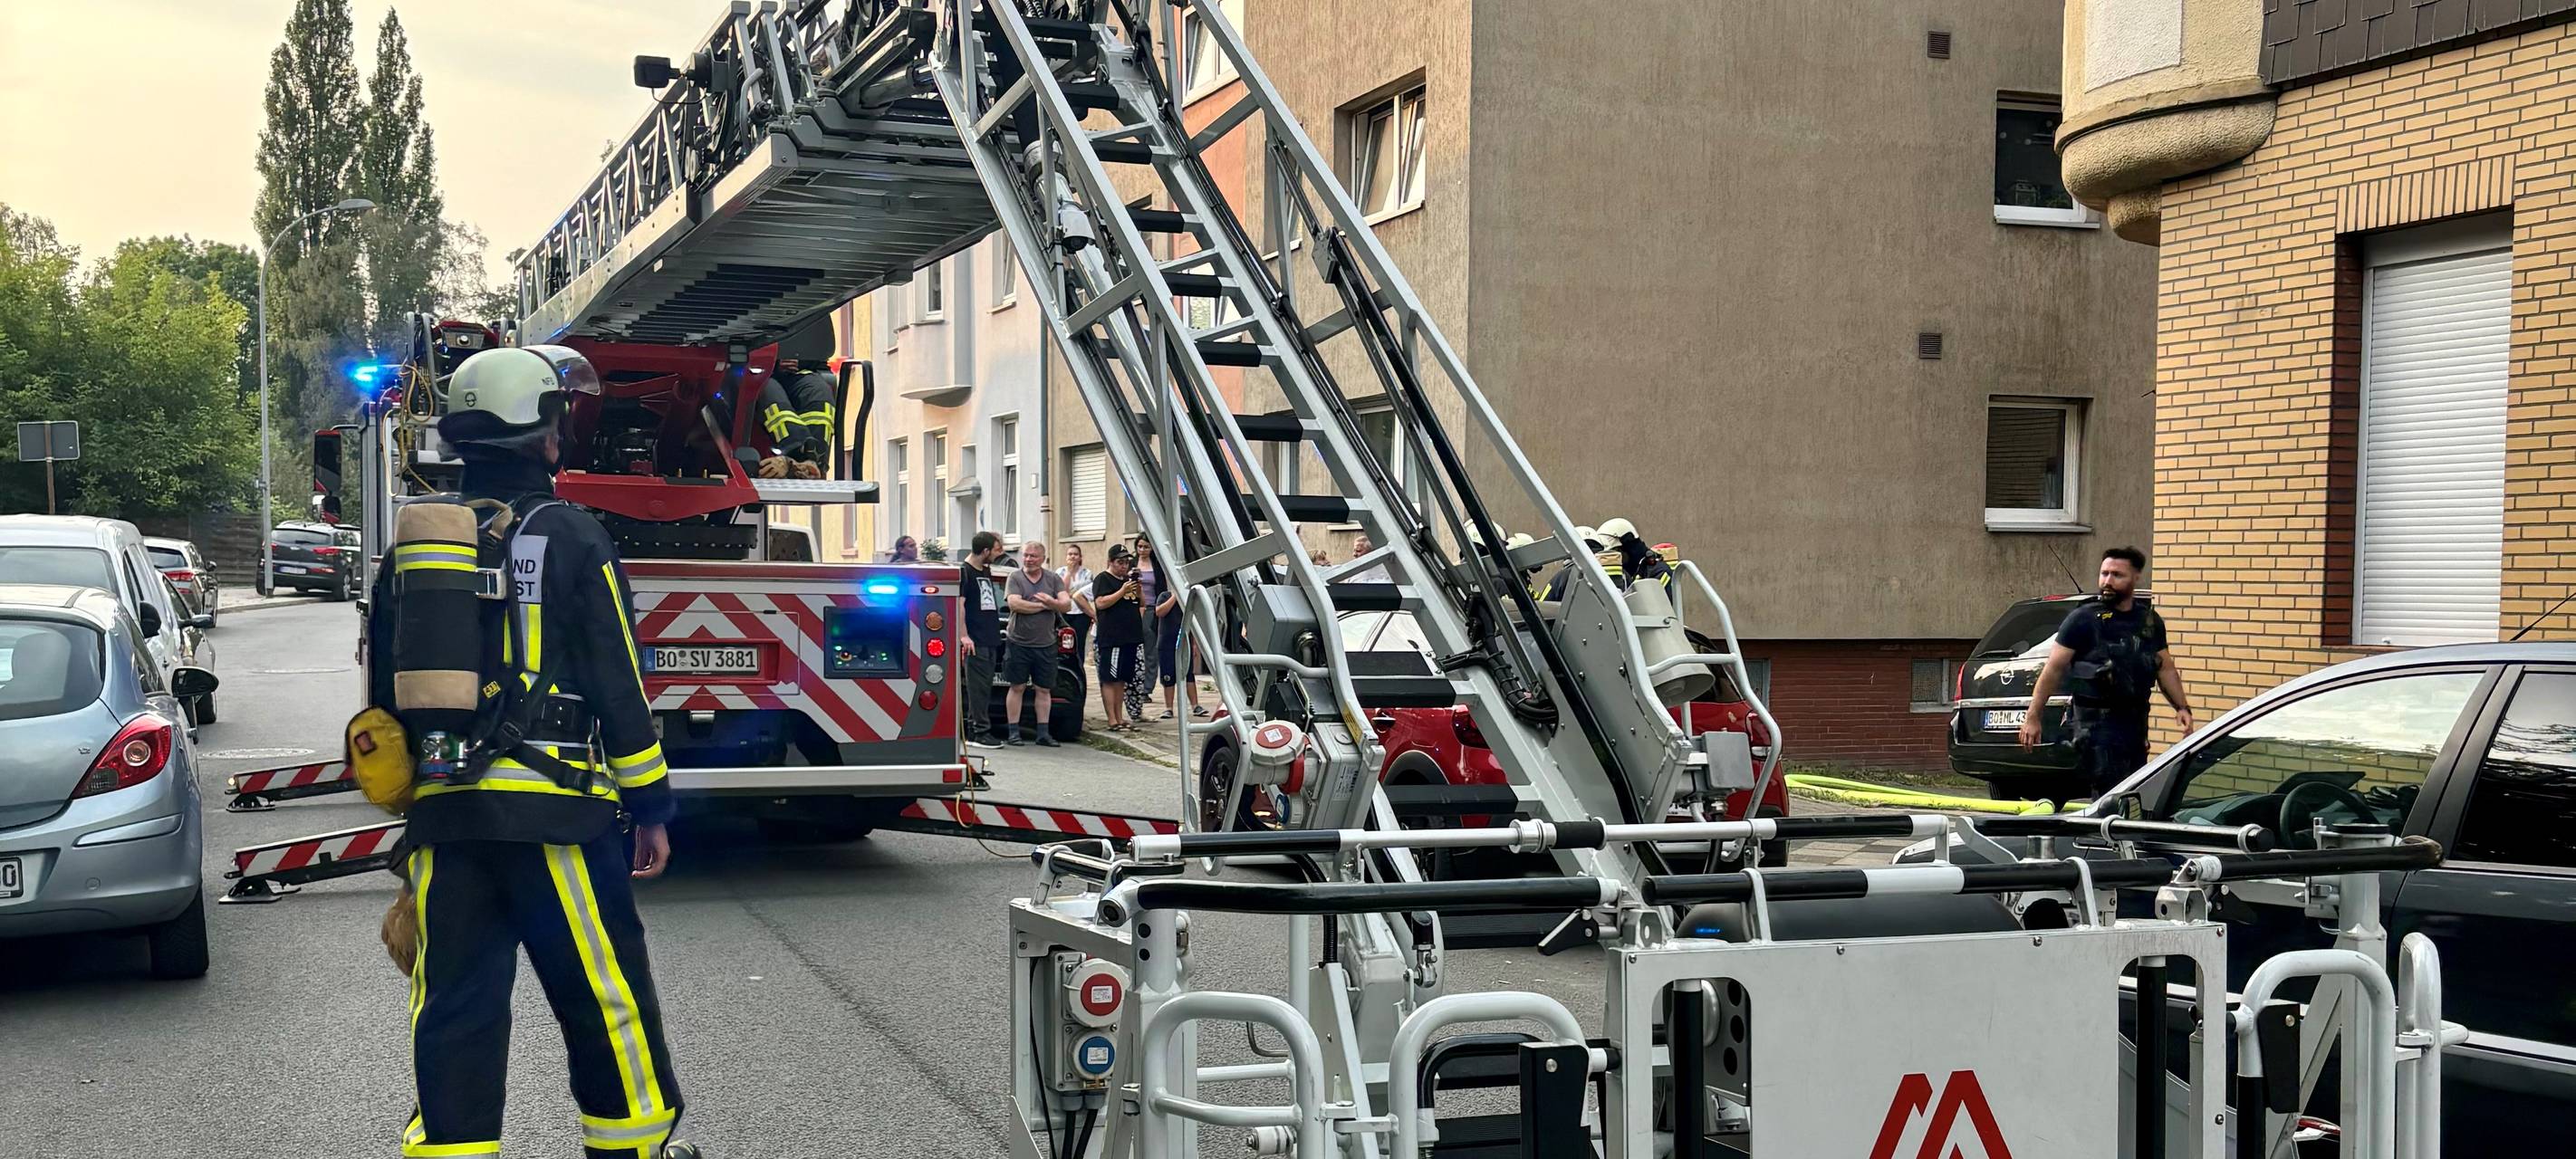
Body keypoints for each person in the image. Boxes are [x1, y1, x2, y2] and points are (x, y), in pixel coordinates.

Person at [369, 344, 692, 1159]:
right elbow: (619, 681)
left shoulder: (416, 543)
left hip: (445, 815)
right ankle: (631, 1149)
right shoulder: (572, 535)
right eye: (558, 419)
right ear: (544, 435)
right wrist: (650, 805)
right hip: (557, 823)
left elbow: (381, 692)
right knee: (605, 1001)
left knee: (454, 1005)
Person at [2018, 546, 2196, 797]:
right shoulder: (2083, 620)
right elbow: (2053, 670)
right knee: (2106, 790)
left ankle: (2115, 832)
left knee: (2131, 788)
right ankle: (2098, 834)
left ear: (2135, 578)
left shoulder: (2149, 622)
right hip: (2094, 725)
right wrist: (2033, 717)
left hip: (2133, 724)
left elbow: (2164, 667)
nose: (2107, 581)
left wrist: (2181, 707)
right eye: (2104, 574)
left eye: (2117, 575)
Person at [1002, 541, 1072, 746]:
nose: (1028, 559)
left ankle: (1043, 733)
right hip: (1018, 643)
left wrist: (1053, 603)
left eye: (1033, 556)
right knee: (1017, 687)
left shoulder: (1053, 579)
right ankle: (1013, 732)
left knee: (1044, 689)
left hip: (1046, 644)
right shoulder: (1015, 577)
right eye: (1025, 555)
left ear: (1043, 558)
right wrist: (1047, 605)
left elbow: (1066, 604)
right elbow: (1015, 603)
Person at [753, 317, 837, 481]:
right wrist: (775, 363)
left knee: (820, 393)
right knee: (773, 399)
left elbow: (818, 353)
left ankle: (813, 461)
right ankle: (795, 454)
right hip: (760, 372)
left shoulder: (808, 309)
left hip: (798, 374)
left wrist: (800, 360)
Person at [1134, 535, 1204, 719]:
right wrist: (1175, 596)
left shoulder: (1187, 598)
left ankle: (1195, 705)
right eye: (1139, 546)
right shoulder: (1164, 596)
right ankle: (1168, 708)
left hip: (1183, 638)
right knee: (1168, 674)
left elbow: (1192, 618)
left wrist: (1195, 643)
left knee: (1188, 674)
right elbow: (1159, 612)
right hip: (1165, 638)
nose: (1142, 549)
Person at [957, 531, 1008, 750]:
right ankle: (979, 732)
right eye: (997, 550)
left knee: (985, 687)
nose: (1000, 553)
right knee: (977, 688)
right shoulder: (965, 573)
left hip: (990, 638)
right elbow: (960, 606)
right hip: (975, 640)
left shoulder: (985, 570)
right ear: (985, 551)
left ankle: (976, 728)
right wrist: (964, 635)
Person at [1090, 545, 1148, 732]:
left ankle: (1120, 717)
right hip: (1112, 637)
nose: (1123, 566)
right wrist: (1121, 591)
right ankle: (1112, 719)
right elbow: (1100, 603)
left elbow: (1142, 603)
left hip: (1129, 636)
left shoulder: (1128, 580)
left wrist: (1137, 589)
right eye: (1120, 562)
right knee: (1110, 678)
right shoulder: (1103, 579)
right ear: (1110, 562)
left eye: (1126, 562)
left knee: (1122, 678)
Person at [1059, 542, 1095, 675]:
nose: (1073, 557)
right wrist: (1069, 572)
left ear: (1080, 557)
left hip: (1081, 613)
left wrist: (1071, 593)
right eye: (1070, 554)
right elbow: (1062, 591)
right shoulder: (1060, 572)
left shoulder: (1087, 573)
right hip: (1064, 613)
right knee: (1063, 645)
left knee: (1079, 644)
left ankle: (1079, 672)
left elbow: (1085, 593)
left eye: (1075, 554)